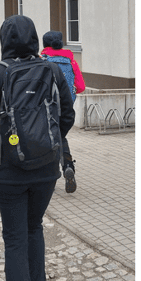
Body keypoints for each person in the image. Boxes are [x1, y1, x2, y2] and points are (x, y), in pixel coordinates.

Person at [0, 15, 75, 281]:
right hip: (46, 170)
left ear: (4, 39)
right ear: (33, 38)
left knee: (16, 239)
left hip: (9, 174)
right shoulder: (52, 70)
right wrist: (50, 146)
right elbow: (67, 114)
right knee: (34, 229)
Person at [40, 31, 84, 193]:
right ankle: (67, 165)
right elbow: (81, 87)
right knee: (60, 136)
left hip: (46, 108)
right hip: (66, 109)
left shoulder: (42, 61)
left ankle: (48, 177)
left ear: (44, 44)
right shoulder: (71, 61)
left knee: (46, 140)